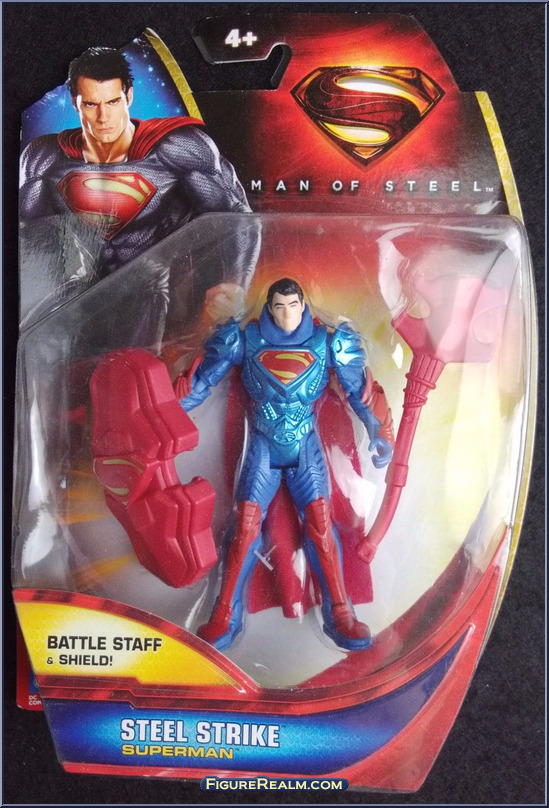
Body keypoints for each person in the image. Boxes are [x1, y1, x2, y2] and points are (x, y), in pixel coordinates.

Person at [177, 278, 394, 651]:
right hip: (262, 445)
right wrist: (163, 414)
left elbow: (360, 390)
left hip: (304, 446)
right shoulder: (244, 340)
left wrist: (381, 430)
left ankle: (340, 611)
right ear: (270, 308)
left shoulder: (329, 343)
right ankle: (225, 613)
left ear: (303, 305)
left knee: (321, 526)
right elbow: (200, 383)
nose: (286, 314)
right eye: (279, 307)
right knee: (245, 527)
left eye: (293, 306)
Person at [19, 46, 255, 281]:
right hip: (87, 290)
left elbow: (237, 217)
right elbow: (29, 237)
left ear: (128, 97)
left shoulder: (176, 148)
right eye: (91, 104)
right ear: (75, 103)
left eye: (113, 102)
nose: (103, 117)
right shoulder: (45, 158)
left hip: (158, 286)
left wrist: (236, 284)